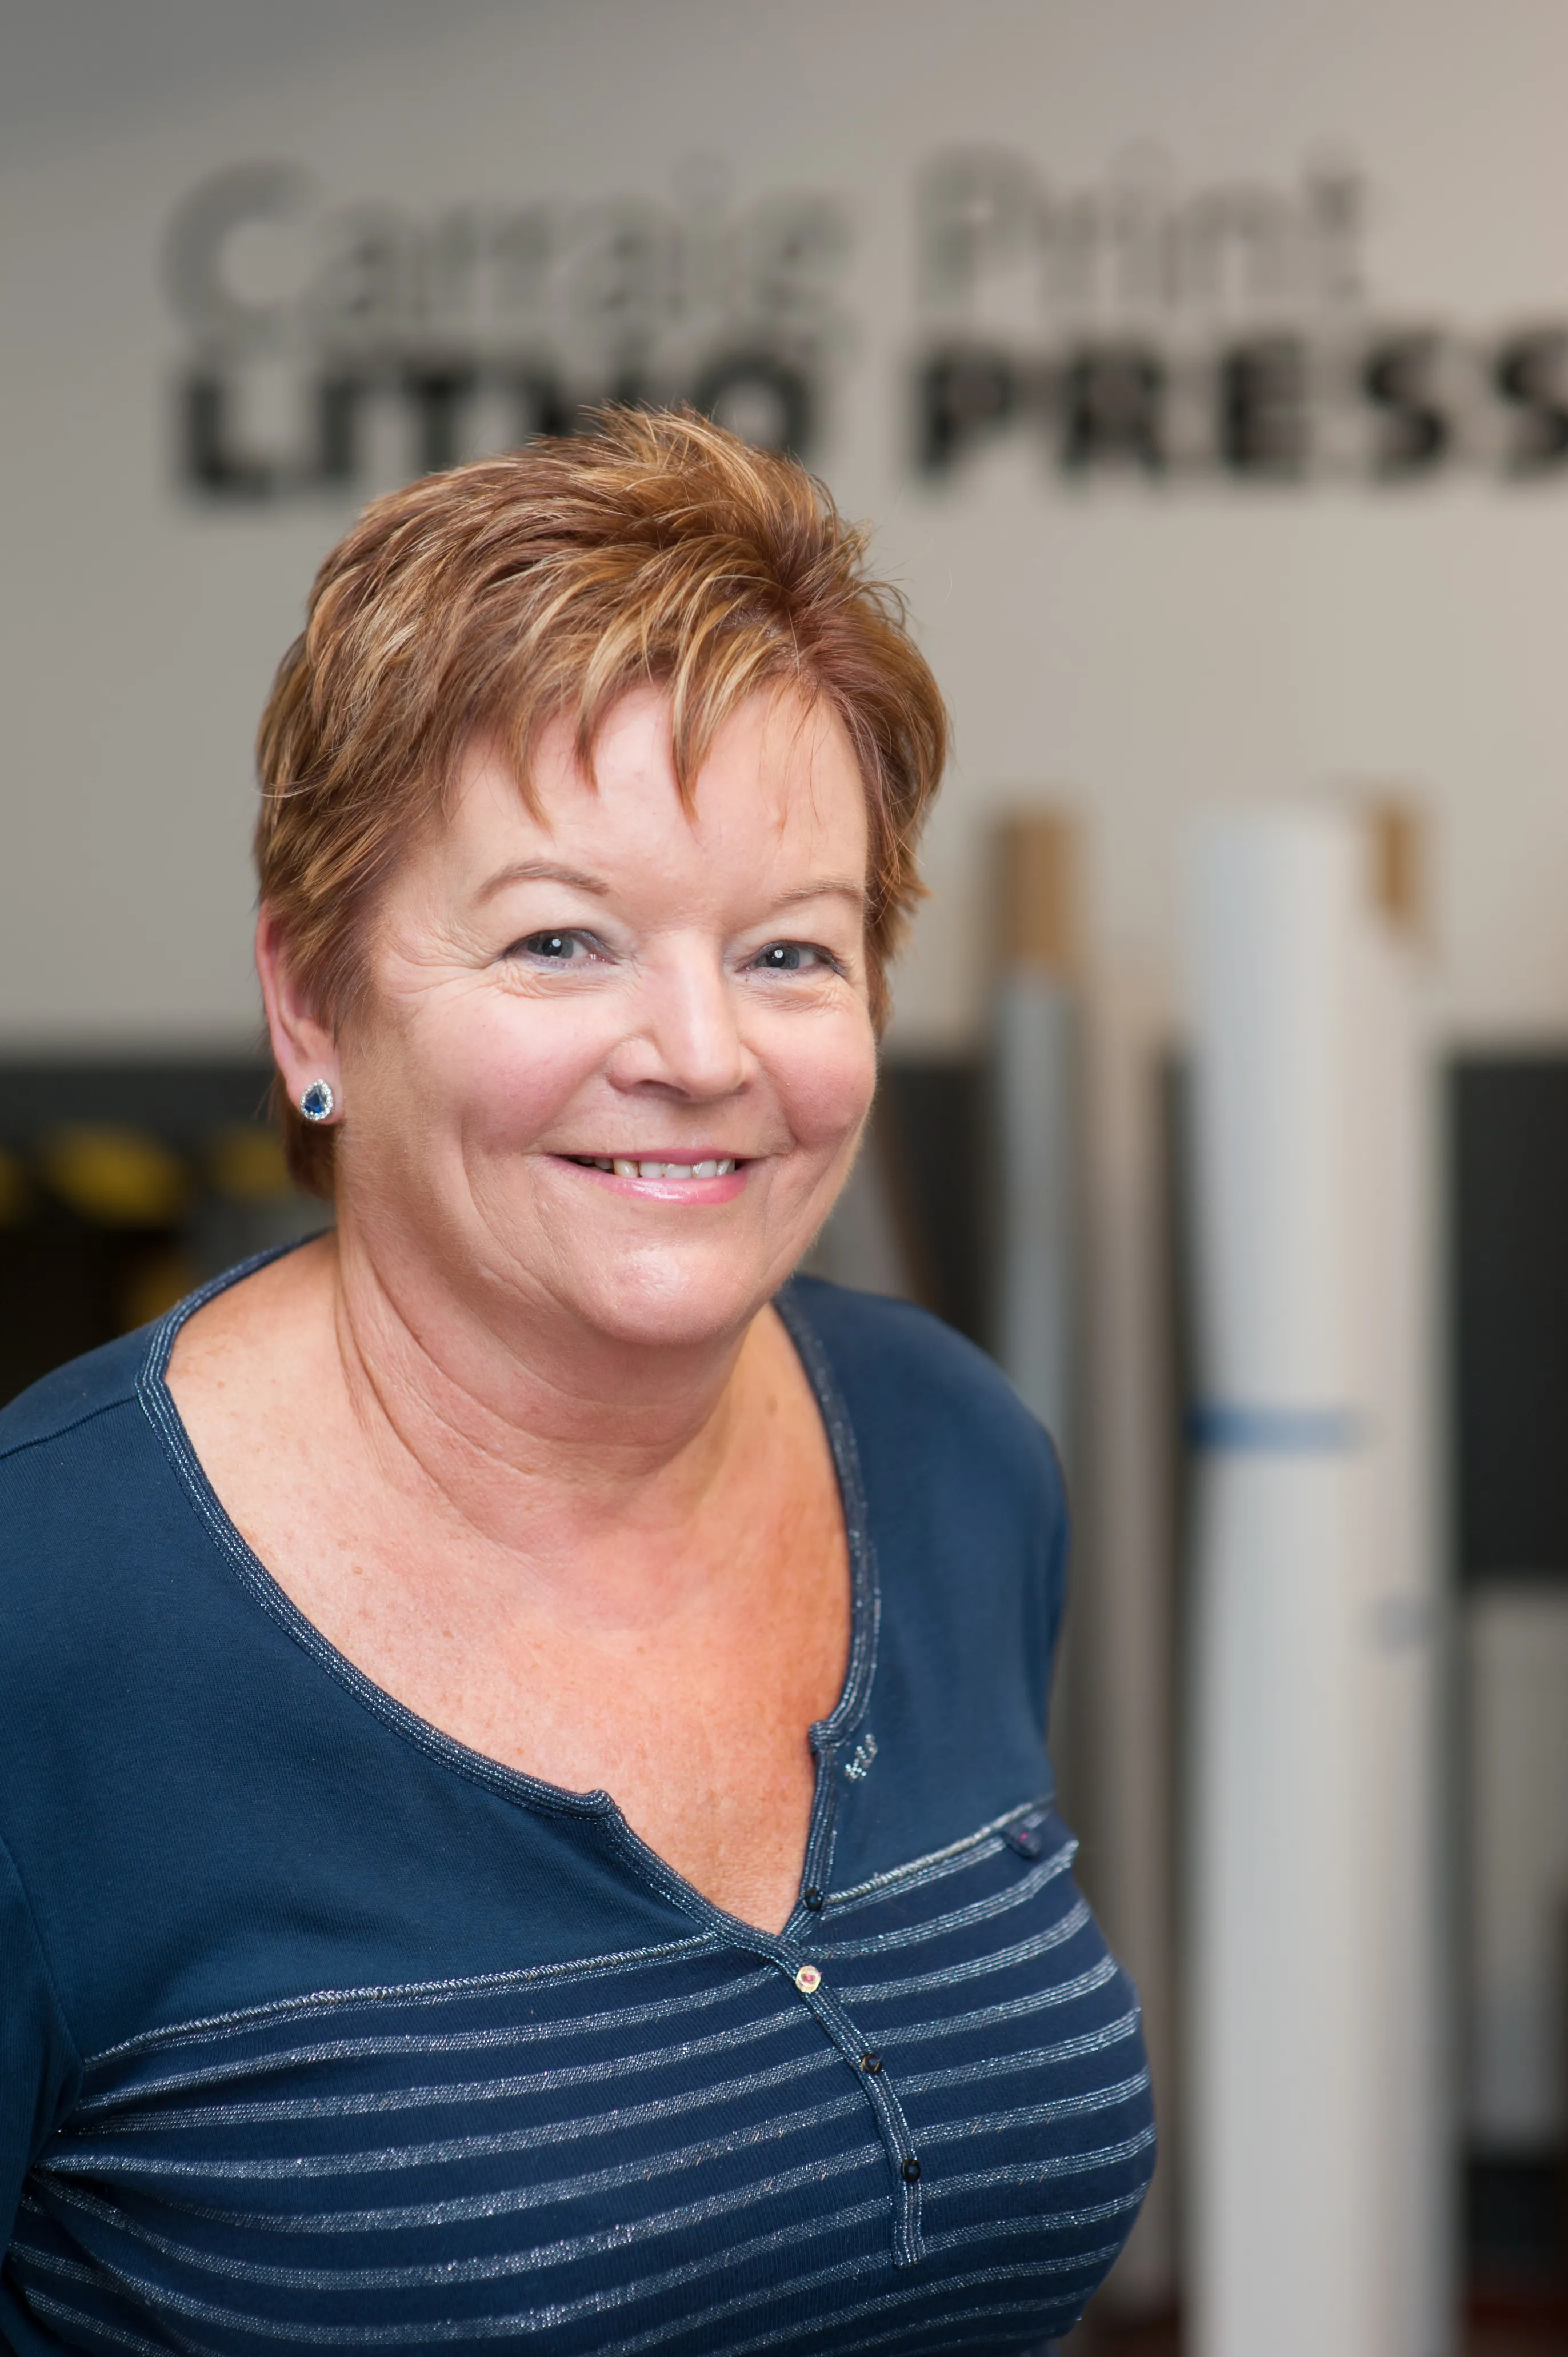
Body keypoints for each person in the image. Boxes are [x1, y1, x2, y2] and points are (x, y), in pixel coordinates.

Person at [0, 410, 1153, 2356]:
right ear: (311, 999)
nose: (698, 1050)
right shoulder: (45, 1616)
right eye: (560, 939)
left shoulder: (953, 1452)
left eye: (790, 952)